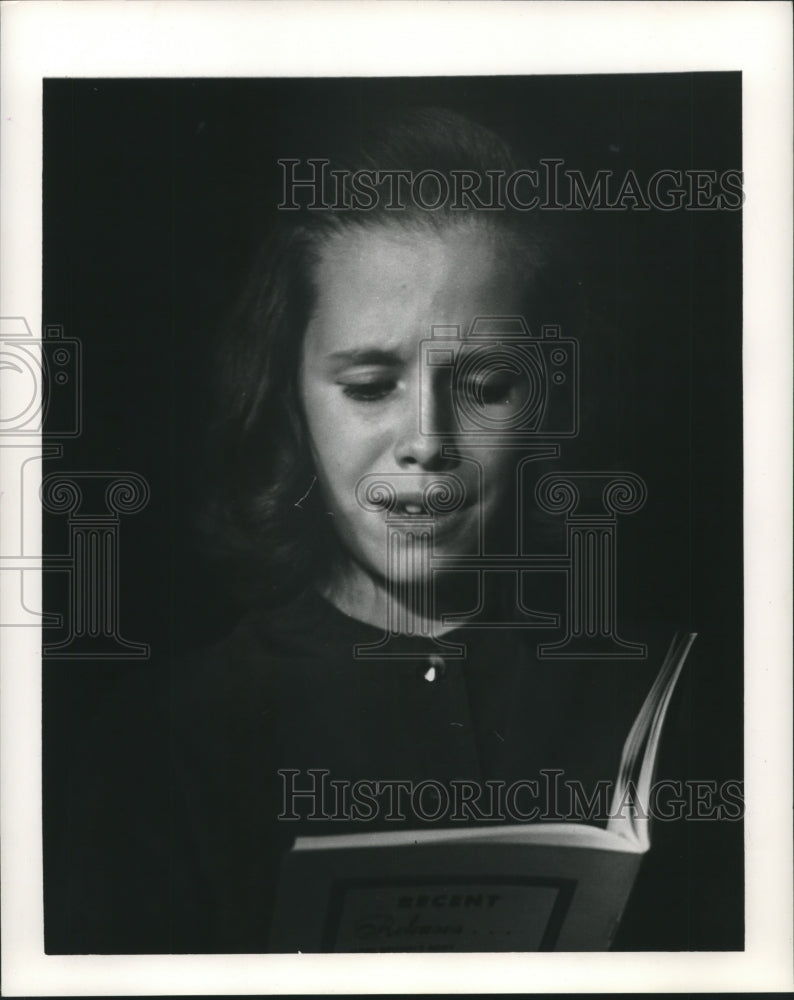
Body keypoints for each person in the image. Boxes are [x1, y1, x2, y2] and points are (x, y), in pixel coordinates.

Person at [47, 107, 688, 954]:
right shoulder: (158, 743)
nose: (426, 440)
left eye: (487, 384)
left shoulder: (677, 700)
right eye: (369, 384)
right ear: (290, 399)